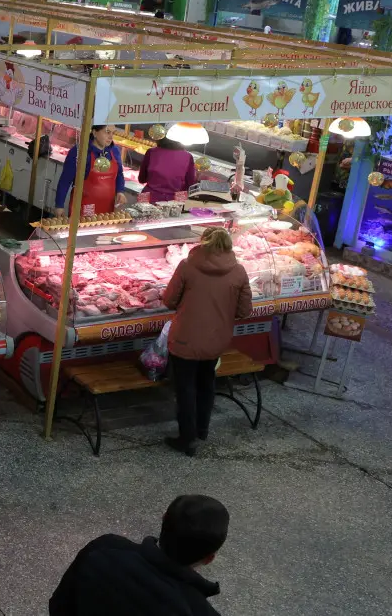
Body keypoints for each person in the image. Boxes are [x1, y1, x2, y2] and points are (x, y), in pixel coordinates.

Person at [49, 494, 230, 615]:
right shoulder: (198, 610)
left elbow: (58, 606)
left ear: (164, 517)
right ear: (209, 558)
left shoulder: (105, 548)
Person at [161, 228, 253, 455]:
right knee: (206, 383)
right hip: (216, 340)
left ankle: (187, 439)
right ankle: (202, 429)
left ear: (203, 244)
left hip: (185, 339)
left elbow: (169, 300)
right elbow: (245, 311)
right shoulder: (239, 271)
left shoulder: (187, 266)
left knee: (185, 388)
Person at [54, 125, 126, 217]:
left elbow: (119, 174)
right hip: (84, 209)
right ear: (95, 132)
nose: (111, 137)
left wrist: (120, 191)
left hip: (108, 210)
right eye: (107, 132)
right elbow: (65, 180)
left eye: (113, 133)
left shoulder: (115, 151)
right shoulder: (79, 151)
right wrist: (59, 205)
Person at [139, 135, 197, 203]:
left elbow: (142, 179)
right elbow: (190, 184)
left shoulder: (151, 152)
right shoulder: (188, 156)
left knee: (139, 213)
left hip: (147, 196)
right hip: (173, 201)